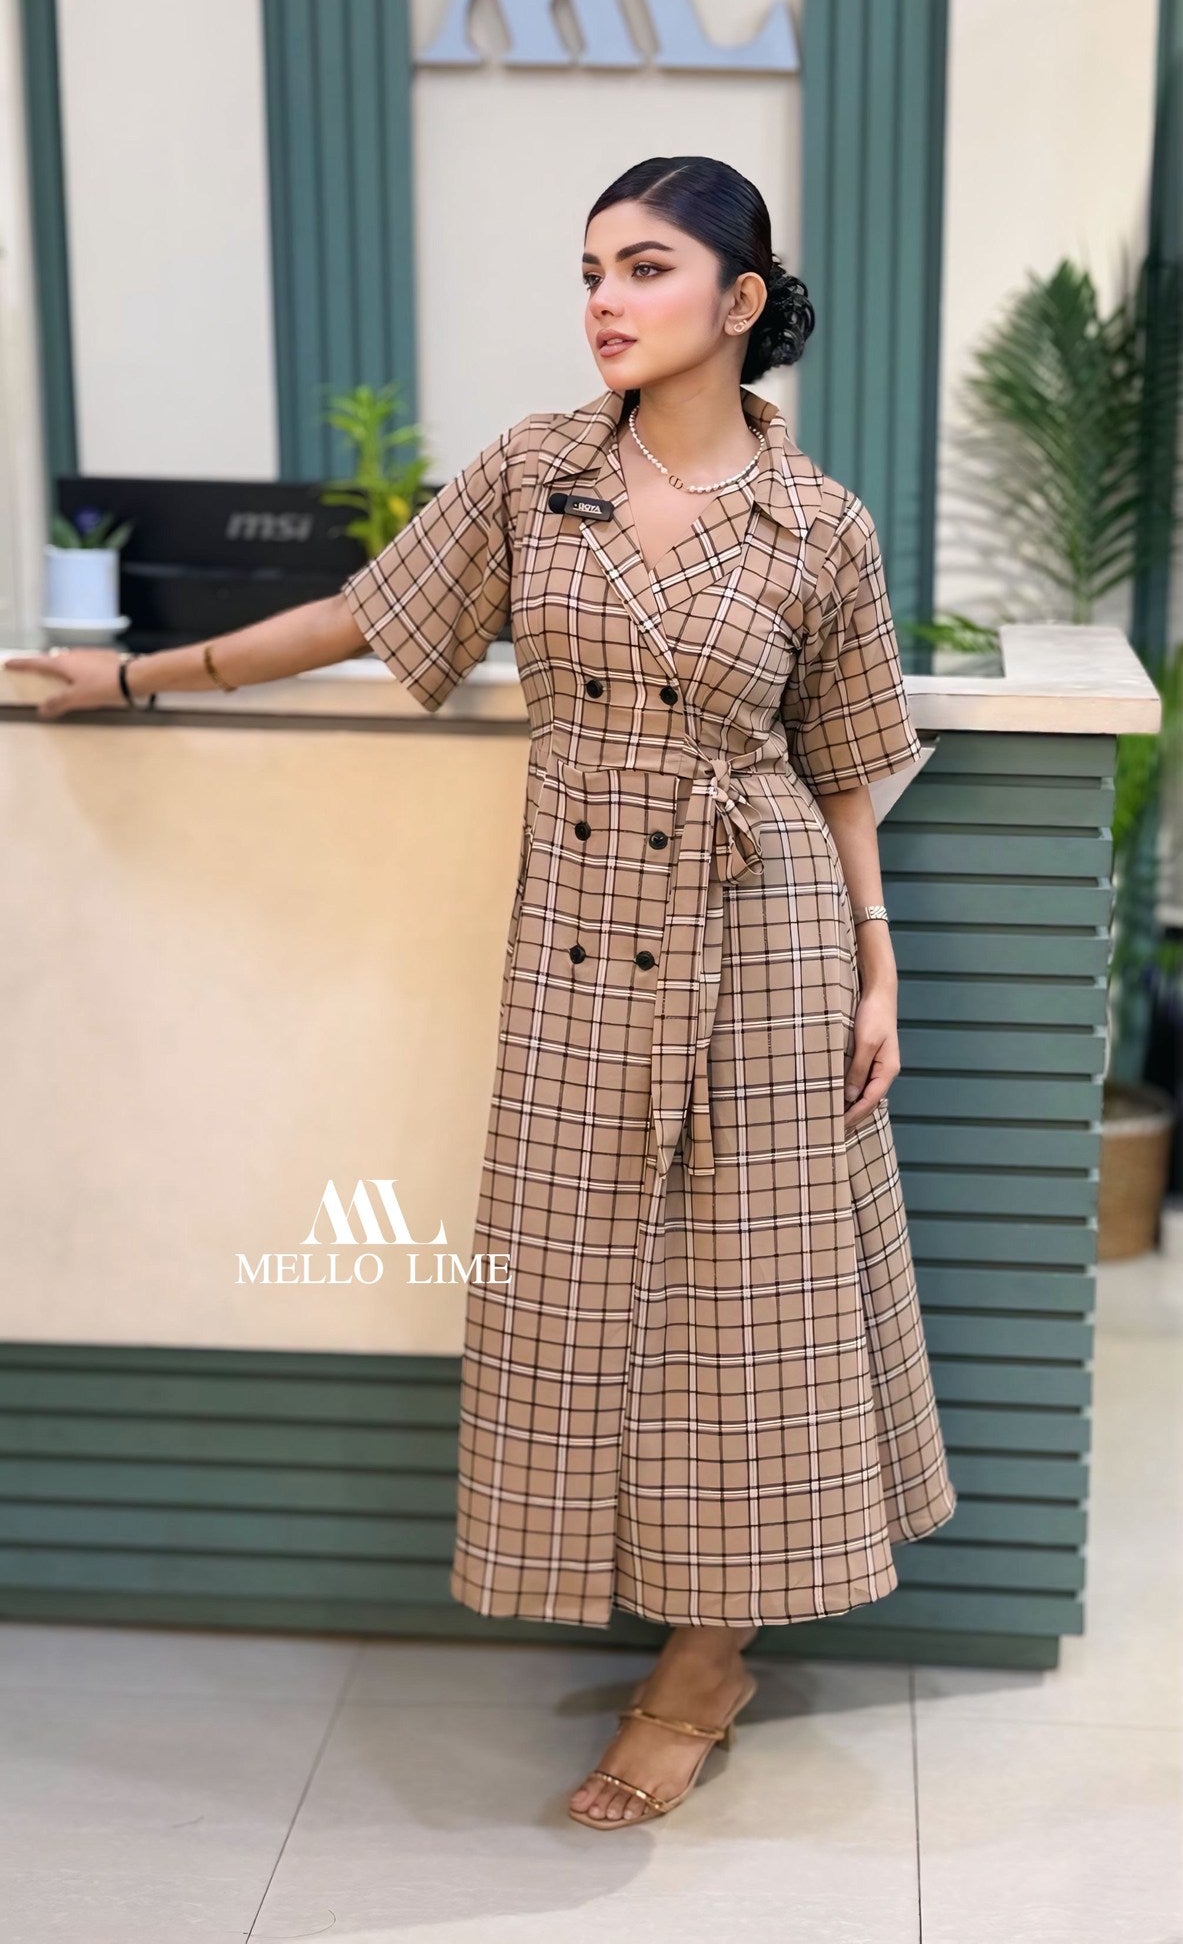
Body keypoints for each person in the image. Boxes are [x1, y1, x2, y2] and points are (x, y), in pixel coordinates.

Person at [5, 154, 956, 1832]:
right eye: (591, 269)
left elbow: (846, 763)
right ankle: (621, 1591)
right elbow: (363, 617)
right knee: (574, 1293)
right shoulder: (536, 472)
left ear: (740, 300)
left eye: (645, 267)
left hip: (765, 941)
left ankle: (706, 1664)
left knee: (755, 1304)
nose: (604, 300)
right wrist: (135, 676)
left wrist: (878, 966)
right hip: (581, 943)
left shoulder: (822, 523)